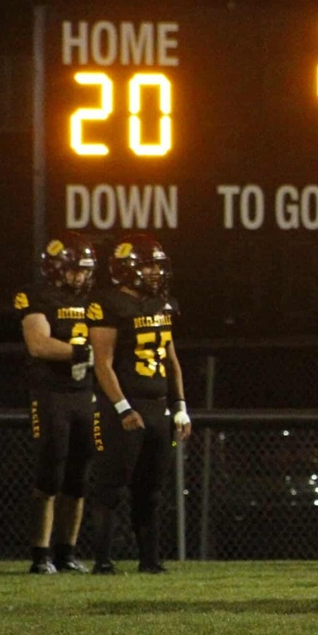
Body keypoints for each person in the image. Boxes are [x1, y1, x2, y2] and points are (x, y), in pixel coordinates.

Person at [87, 233, 192, 574]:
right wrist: (121, 407)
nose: (154, 274)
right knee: (110, 488)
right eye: (147, 267)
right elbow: (102, 362)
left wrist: (179, 406)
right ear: (126, 269)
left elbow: (171, 360)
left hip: (157, 406)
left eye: (156, 267)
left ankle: (150, 560)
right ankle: (102, 560)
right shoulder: (107, 303)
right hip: (122, 410)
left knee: (151, 491)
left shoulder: (162, 305)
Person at [13, 232, 98, 574]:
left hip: (84, 394)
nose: (79, 276)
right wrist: (84, 352)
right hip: (51, 394)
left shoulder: (96, 300)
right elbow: (38, 344)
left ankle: (67, 552)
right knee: (50, 473)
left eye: (84, 270)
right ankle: (40, 554)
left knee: (78, 478)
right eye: (73, 269)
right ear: (55, 268)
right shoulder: (36, 297)